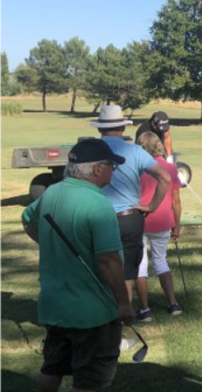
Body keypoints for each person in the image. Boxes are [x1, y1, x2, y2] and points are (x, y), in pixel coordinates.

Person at [21, 138, 134, 392]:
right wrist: (124, 303)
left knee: (52, 368)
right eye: (111, 166)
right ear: (97, 169)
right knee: (90, 380)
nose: (113, 171)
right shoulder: (99, 204)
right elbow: (108, 260)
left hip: (55, 306)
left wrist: (46, 243)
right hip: (92, 313)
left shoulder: (51, 192)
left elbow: (28, 219)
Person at [90, 105, 173, 323]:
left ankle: (106, 316)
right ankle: (124, 317)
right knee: (126, 272)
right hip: (129, 217)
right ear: (122, 126)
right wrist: (152, 206)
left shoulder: (91, 150)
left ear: (100, 128)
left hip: (98, 217)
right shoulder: (135, 151)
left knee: (101, 267)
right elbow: (165, 178)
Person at [134, 132, 184, 318]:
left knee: (140, 264)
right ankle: (173, 304)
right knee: (161, 261)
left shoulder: (137, 167)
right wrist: (177, 226)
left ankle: (144, 309)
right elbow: (175, 201)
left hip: (139, 220)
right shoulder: (170, 168)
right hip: (163, 220)